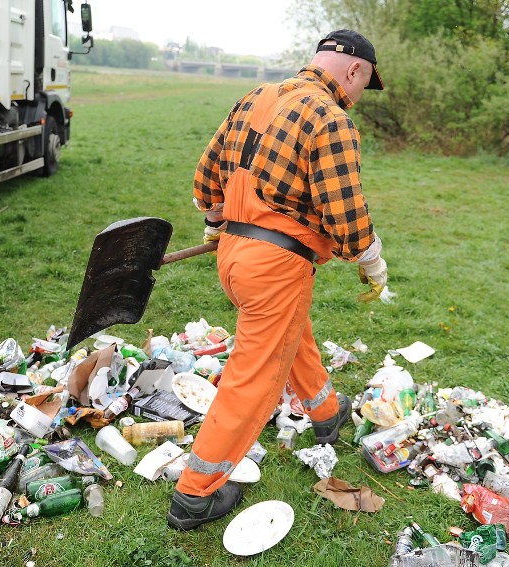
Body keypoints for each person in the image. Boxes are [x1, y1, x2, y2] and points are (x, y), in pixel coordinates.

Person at [168, 29, 388, 530]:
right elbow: (346, 216)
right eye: (363, 85)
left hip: (233, 256)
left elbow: (207, 180)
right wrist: (371, 259)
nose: (357, 98)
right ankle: (194, 495)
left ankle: (326, 412)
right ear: (353, 70)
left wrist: (218, 218)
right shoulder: (331, 120)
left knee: (292, 330)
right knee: (253, 381)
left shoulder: (257, 97)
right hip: (276, 265)